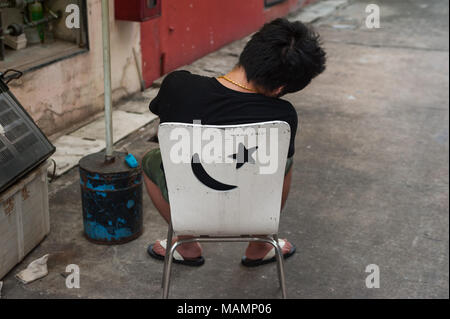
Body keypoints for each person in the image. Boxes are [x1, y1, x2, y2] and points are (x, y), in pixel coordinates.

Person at [143, 18, 326, 267]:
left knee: (150, 161)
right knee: (285, 160)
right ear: (279, 88)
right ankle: (261, 245)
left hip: (191, 198)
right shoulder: (283, 116)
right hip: (249, 200)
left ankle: (185, 244)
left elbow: (163, 124)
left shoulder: (178, 86)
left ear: (249, 51)